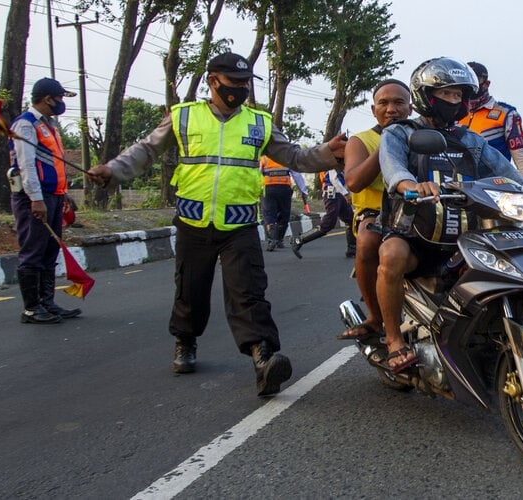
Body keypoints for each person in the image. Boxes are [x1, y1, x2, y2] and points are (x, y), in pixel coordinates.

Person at [87, 52, 347, 396]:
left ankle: (263, 357)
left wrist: (328, 150)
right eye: (234, 83)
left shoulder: (259, 123)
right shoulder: (184, 116)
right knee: (190, 289)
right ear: (213, 81)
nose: (240, 90)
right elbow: (145, 151)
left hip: (239, 223)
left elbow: (296, 157)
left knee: (249, 290)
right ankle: (185, 340)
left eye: (245, 84)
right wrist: (112, 171)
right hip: (193, 220)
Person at [377, 57, 523, 372]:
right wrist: (412, 185)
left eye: (459, 95)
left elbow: (506, 171)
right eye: (446, 94)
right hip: (416, 234)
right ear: (426, 95)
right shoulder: (401, 132)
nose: (454, 101)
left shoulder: (470, 140)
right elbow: (394, 168)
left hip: (464, 236)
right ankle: (393, 341)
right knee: (390, 255)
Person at [339, 78, 412, 341]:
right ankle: (375, 317)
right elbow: (354, 182)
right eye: (384, 103)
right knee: (368, 241)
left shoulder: (421, 136)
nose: (391, 109)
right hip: (376, 214)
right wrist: (387, 145)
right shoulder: (361, 140)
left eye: (398, 103)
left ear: (410, 109)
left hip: (417, 212)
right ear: (374, 110)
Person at [8, 77, 82, 324]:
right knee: (33, 250)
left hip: (53, 195)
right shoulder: (25, 124)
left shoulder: (48, 125)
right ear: (46, 98)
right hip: (33, 198)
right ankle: (31, 308)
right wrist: (36, 199)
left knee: (50, 249)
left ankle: (47, 303)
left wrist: (63, 194)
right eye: (59, 98)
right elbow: (27, 165)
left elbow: (54, 163)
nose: (61, 103)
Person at [458, 62, 523, 215]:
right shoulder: (452, 113)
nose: (470, 87)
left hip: (495, 193)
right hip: (457, 190)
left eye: (475, 81)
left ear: (486, 83)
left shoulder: (506, 114)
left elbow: (521, 156)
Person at [290, 169, 356, 258]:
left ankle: (352, 249)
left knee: (351, 219)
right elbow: (334, 179)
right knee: (328, 224)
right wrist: (346, 193)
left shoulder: (340, 160)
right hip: (333, 194)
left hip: (339, 194)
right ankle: (299, 240)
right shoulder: (333, 161)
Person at [260, 155, 293, 251]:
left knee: (269, 215)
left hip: (268, 189)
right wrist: (303, 191)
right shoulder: (286, 157)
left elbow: (257, 173)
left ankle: (271, 240)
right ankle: (279, 240)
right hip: (285, 188)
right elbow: (296, 174)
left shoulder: (264, 159)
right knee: (284, 214)